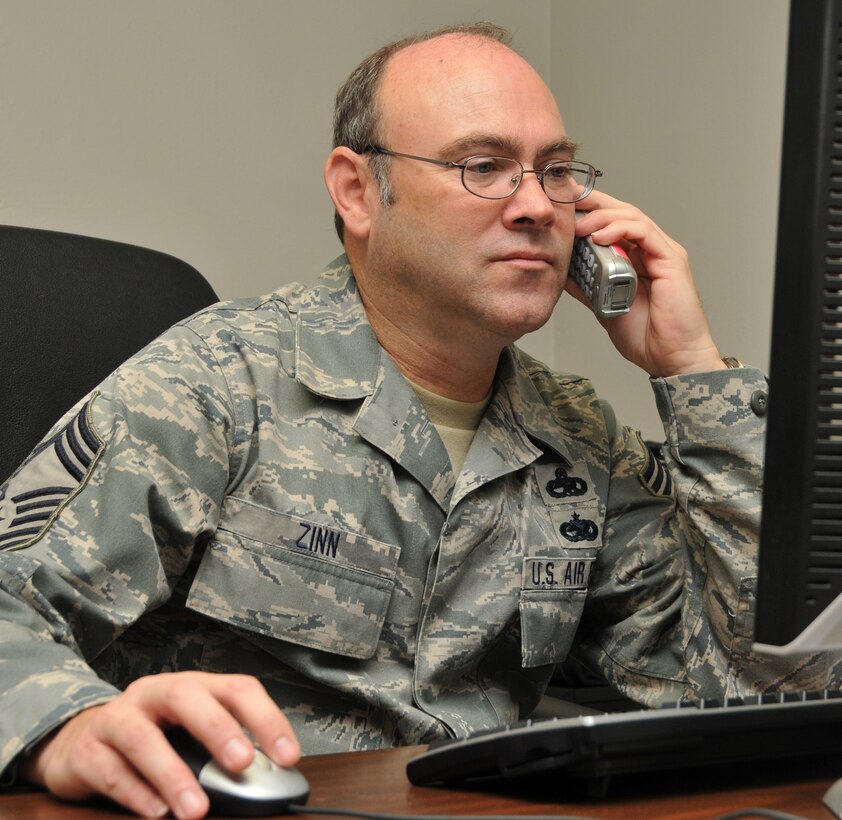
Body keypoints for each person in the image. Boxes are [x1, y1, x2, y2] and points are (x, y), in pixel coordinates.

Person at [0, 21, 835, 820]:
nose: (539, 207)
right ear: (358, 191)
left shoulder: (578, 441)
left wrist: (693, 372)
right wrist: (63, 723)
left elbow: (762, 689)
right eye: (483, 165)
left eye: (558, 171)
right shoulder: (219, 387)